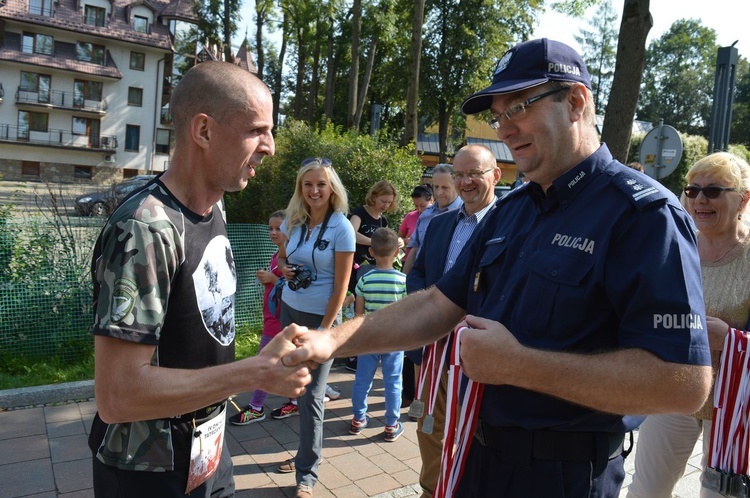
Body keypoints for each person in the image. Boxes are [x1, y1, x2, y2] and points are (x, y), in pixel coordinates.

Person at [284, 38, 712, 498]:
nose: (505, 128)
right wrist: (331, 339)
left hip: (562, 476)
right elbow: (436, 304)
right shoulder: (514, 209)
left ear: (575, 101)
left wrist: (520, 366)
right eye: (498, 114)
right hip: (477, 452)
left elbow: (682, 384)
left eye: (520, 107)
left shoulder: (643, 215)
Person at [88, 61, 311, 498]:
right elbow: (117, 395)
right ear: (204, 131)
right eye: (256, 130)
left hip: (208, 453)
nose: (269, 146)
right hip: (149, 472)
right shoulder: (146, 228)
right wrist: (253, 373)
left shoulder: (216, 212)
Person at [627, 152, 750, 498]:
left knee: (723, 495)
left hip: (735, 405)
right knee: (646, 490)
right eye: (692, 190)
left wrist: (731, 338)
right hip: (674, 390)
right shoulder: (675, 245)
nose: (699, 200)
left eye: (713, 191)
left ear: (744, 197)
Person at [408, 143, 500, 498]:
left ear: (494, 174)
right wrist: (425, 312)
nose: (465, 182)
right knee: (428, 422)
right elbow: (418, 274)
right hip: (434, 344)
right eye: (459, 174)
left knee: (471, 427)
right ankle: (432, 490)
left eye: (474, 173)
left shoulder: (509, 222)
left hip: (477, 348)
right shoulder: (441, 223)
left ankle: (463, 487)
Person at [272, 158, 355, 498]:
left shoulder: (342, 227)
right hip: (290, 310)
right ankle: (304, 452)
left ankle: (307, 473)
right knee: (293, 388)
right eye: (308, 184)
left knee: (312, 397)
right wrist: (285, 268)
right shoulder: (294, 219)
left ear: (331, 188)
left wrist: (325, 330)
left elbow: (340, 286)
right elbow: (281, 257)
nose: (314, 190)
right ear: (300, 188)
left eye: (320, 184)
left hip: (322, 320)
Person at [348, 227, 407, 441]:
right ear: (396, 253)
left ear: (371, 252)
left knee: (362, 379)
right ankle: (392, 424)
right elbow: (405, 313)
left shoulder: (365, 280)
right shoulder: (403, 281)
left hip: (369, 337)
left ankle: (358, 419)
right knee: (393, 381)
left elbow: (359, 313)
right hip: (394, 338)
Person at [229, 210, 287, 425]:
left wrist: (273, 279)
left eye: (278, 228)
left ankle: (255, 408)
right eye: (270, 228)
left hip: (279, 322)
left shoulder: (291, 256)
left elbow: (295, 287)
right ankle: (295, 401)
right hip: (272, 318)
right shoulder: (276, 255)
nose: (273, 232)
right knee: (287, 363)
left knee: (264, 363)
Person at [402, 164, 463, 275]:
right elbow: (414, 249)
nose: (439, 192)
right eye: (436, 187)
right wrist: (405, 283)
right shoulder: (426, 214)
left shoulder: (466, 214)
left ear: (457, 186)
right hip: (421, 281)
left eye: (445, 187)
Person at [398, 184, 434, 261]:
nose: (419, 209)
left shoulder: (438, 217)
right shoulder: (410, 216)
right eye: (416, 206)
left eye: (422, 205)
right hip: (408, 260)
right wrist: (403, 241)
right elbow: (399, 237)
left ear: (431, 200)